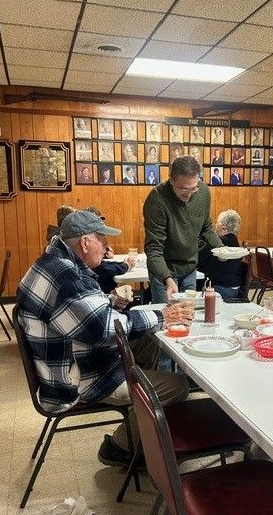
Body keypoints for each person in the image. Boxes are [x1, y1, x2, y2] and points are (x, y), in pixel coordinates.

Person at [17, 209, 194, 466]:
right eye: (102, 238)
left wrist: (111, 302)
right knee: (177, 385)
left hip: (71, 355)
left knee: (151, 340)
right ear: (85, 242)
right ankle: (121, 446)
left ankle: (144, 420)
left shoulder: (54, 262)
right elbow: (103, 330)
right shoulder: (66, 277)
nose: (107, 245)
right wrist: (163, 315)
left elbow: (79, 314)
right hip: (76, 377)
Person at [144, 156, 223, 303]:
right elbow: (154, 248)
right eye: (183, 189)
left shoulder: (203, 192)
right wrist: (167, 278)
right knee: (168, 317)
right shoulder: (157, 200)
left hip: (189, 268)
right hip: (164, 270)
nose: (189, 193)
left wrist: (221, 249)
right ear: (171, 180)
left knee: (188, 314)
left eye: (193, 188)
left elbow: (206, 226)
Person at [198, 210, 243, 299]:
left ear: (223, 227)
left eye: (217, 223)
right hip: (234, 288)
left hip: (220, 289)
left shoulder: (218, 242)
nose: (215, 226)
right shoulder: (235, 242)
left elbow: (198, 258)